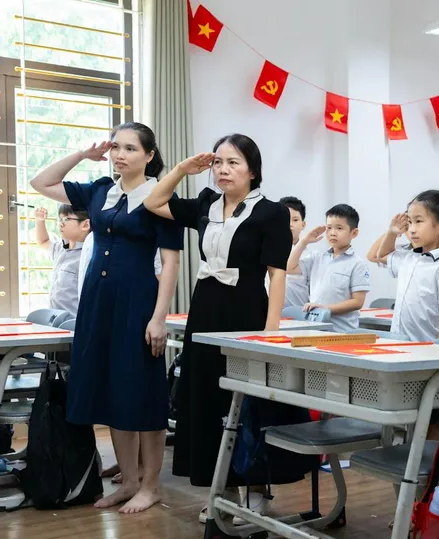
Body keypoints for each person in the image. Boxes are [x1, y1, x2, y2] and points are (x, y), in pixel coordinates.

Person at [142, 133, 300, 518]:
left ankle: (256, 485)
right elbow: (153, 201)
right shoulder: (206, 203)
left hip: (247, 311)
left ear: (252, 170)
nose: (223, 170)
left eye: (233, 162)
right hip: (205, 309)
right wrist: (182, 169)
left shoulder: (271, 212)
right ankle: (223, 490)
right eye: (218, 162)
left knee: (249, 401)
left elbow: (277, 275)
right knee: (208, 398)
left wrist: (270, 333)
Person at [29, 122, 183, 513]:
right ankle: (128, 481)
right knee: (113, 391)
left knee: (143, 392)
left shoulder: (160, 197)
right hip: (97, 303)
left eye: (130, 148)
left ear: (149, 155)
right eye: (116, 147)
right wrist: (83, 154)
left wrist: (159, 318)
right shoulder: (100, 190)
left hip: (138, 303)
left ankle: (151, 485)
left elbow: (170, 263)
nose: (120, 155)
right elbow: (40, 182)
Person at [367, 190, 439, 341]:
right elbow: (381, 255)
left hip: (426, 350)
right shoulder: (408, 257)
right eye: (410, 222)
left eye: (419, 221)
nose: (412, 229)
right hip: (398, 344)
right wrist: (392, 232)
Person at [297, 204, 371, 332]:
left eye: (339, 228)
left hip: (342, 332)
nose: (332, 233)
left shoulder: (357, 263)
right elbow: (290, 267)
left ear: (354, 233)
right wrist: (304, 241)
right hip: (315, 329)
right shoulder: (317, 257)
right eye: (329, 228)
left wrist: (324, 308)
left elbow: (357, 302)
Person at [34, 204, 90, 317]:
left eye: (66, 219)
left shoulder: (87, 255)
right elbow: (43, 241)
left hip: (73, 320)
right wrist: (40, 221)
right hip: (54, 318)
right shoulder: (61, 248)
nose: (61, 223)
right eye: (60, 219)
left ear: (85, 225)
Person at [280, 196, 318, 309]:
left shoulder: (311, 257)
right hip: (268, 313)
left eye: (295, 220)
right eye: (285, 219)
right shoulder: (266, 251)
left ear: (303, 225)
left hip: (299, 314)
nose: (290, 224)